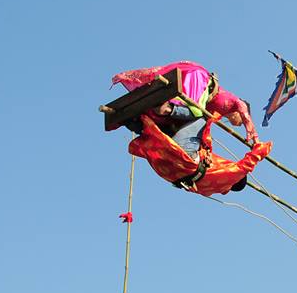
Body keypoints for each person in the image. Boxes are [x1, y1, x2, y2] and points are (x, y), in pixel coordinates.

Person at [109, 61, 272, 195]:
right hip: (170, 171)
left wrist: (261, 146)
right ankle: (135, 122)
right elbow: (204, 142)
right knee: (161, 135)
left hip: (186, 160)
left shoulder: (233, 174)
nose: (235, 122)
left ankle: (167, 110)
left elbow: (246, 164)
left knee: (200, 115)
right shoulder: (211, 187)